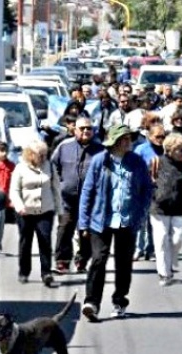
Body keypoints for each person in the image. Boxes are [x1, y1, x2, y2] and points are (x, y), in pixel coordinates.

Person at [79, 124, 153, 321]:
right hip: (100, 220)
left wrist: (141, 213)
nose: (128, 142)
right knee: (98, 259)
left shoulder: (137, 162)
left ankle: (120, 300)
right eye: (124, 139)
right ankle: (91, 302)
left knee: (123, 263)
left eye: (129, 138)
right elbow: (87, 191)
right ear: (114, 142)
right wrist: (83, 222)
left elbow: (147, 189)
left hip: (127, 220)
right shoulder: (99, 161)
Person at [51, 117, 104, 274]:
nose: (86, 131)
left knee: (86, 230)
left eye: (89, 128)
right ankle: (62, 261)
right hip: (67, 198)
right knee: (65, 228)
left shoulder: (100, 150)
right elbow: (54, 166)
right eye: (82, 128)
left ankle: (82, 261)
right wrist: (60, 184)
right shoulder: (64, 147)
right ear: (75, 131)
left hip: (90, 200)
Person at [10, 139, 62, 287]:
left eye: (45, 154)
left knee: (45, 241)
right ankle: (24, 271)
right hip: (25, 212)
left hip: (45, 210)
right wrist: (19, 206)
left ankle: (46, 273)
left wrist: (60, 210)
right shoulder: (20, 168)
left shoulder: (49, 166)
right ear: (30, 154)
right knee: (25, 242)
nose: (43, 157)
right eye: (40, 155)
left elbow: (56, 189)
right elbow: (14, 190)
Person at [150, 133, 182, 286]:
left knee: (178, 239)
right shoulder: (156, 162)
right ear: (170, 149)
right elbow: (146, 182)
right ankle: (164, 273)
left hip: (179, 207)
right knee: (161, 240)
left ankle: (171, 262)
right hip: (159, 208)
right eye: (179, 149)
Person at [133, 124, 166, 261]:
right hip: (142, 189)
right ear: (149, 136)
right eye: (157, 137)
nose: (160, 139)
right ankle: (138, 248)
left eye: (163, 137)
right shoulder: (141, 149)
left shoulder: (165, 149)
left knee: (154, 222)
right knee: (140, 221)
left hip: (159, 190)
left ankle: (150, 250)